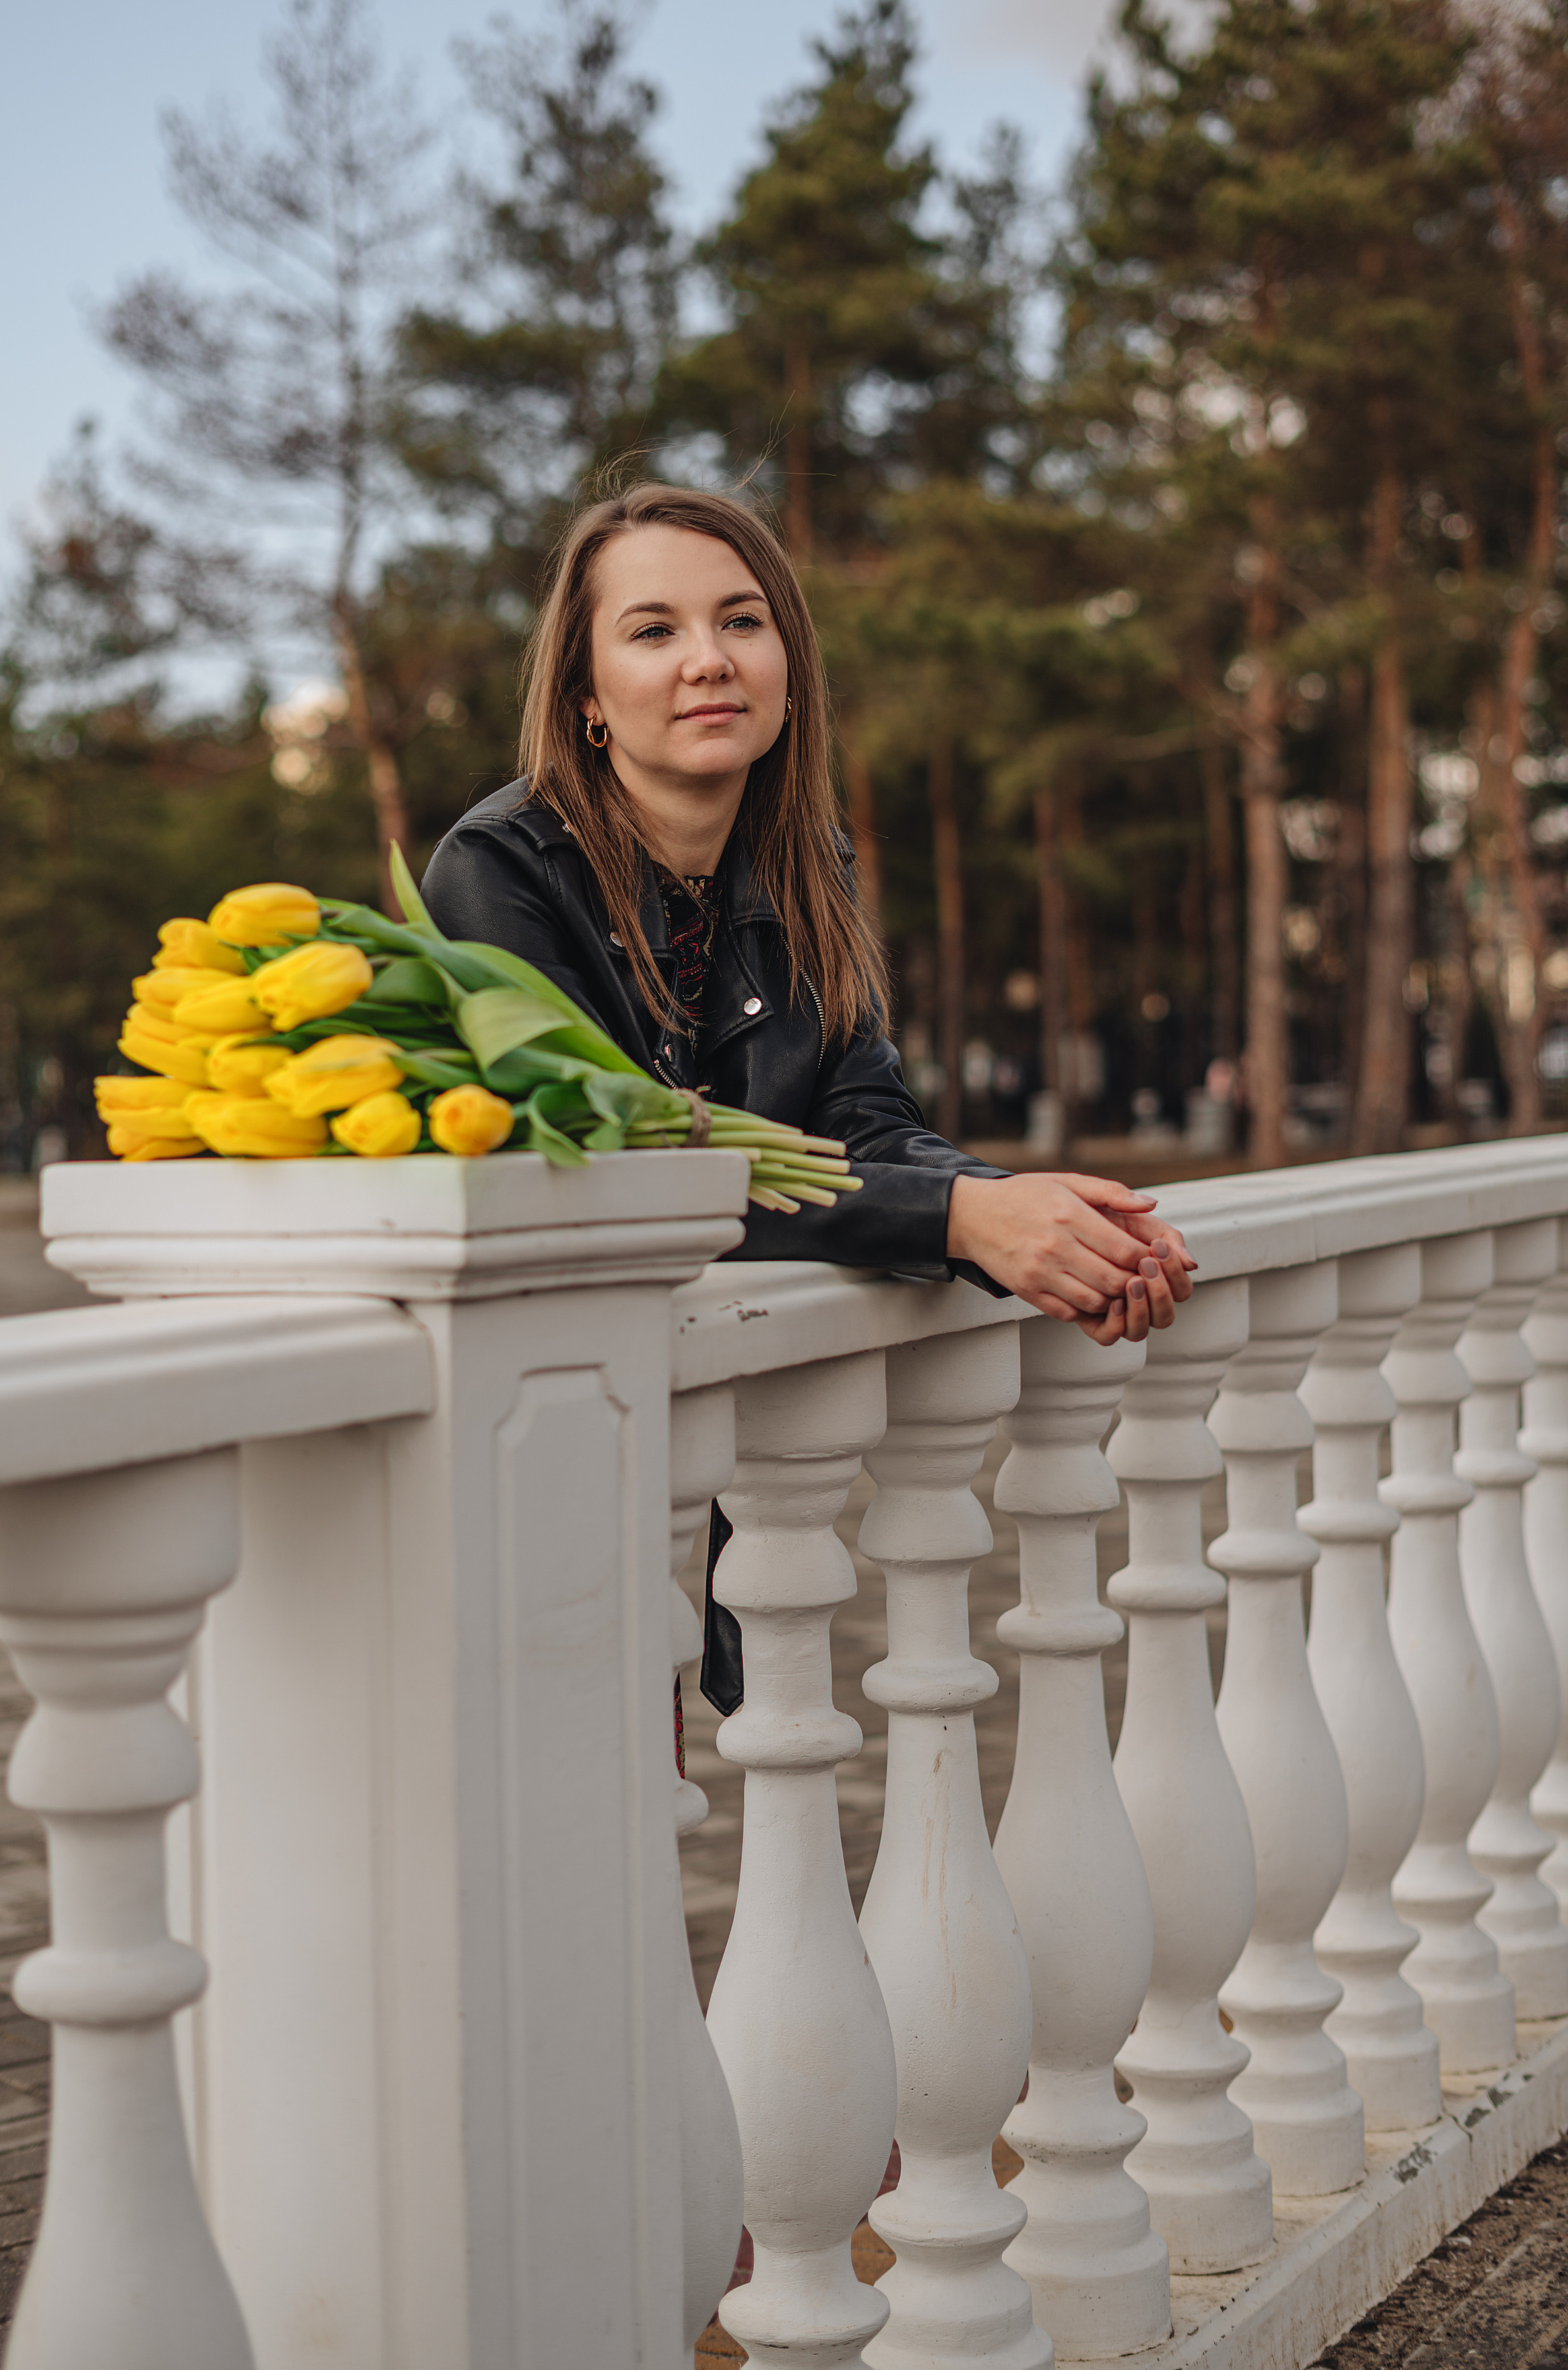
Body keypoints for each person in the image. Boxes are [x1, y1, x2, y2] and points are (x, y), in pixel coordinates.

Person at [422, 481, 1195, 1713]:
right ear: (585, 696)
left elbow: (865, 1120)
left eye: (742, 620)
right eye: (654, 629)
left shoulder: (804, 860)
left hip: (693, 1426)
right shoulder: (499, 873)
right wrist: (955, 1224)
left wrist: (1038, 1217)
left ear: (788, 664)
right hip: (527, 1433)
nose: (708, 661)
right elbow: (635, 1178)